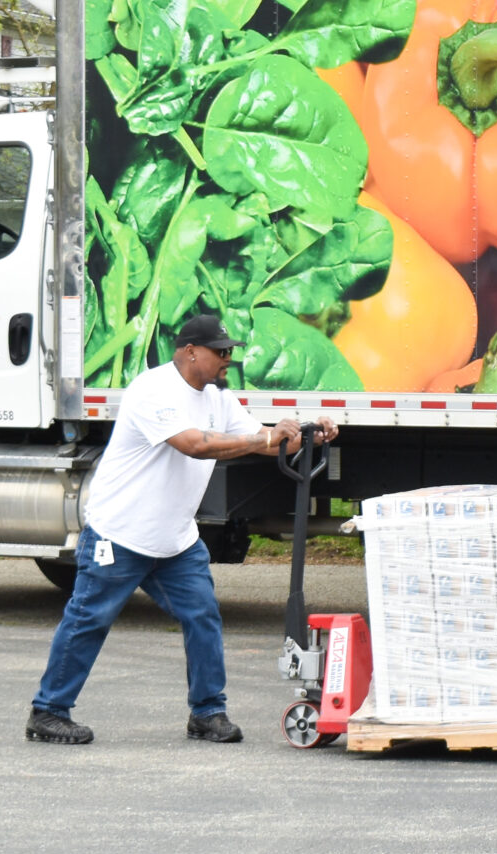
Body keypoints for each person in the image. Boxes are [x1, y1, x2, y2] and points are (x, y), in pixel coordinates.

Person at [25, 312, 334, 745]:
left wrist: (307, 433)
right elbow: (194, 445)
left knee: (203, 615)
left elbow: (262, 438)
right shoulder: (154, 390)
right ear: (191, 352)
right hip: (121, 534)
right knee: (89, 618)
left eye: (230, 352)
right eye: (221, 352)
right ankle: (49, 711)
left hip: (174, 541)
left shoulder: (217, 398)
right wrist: (264, 439)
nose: (229, 359)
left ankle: (207, 713)